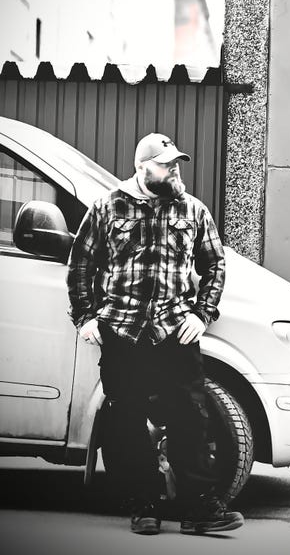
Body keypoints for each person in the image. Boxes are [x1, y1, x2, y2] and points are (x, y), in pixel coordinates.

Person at [67, 132, 244, 535]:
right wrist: (86, 318)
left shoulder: (193, 210)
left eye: (177, 163)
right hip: (123, 333)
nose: (175, 170)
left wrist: (202, 314)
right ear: (143, 168)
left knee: (190, 417)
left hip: (175, 333)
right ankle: (143, 506)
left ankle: (199, 509)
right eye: (166, 165)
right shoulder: (107, 208)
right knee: (125, 420)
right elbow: (81, 265)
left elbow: (215, 265)